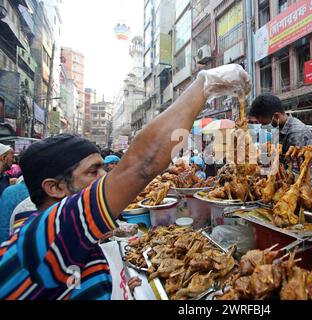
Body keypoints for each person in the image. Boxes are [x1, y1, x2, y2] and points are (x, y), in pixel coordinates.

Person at [0, 63, 250, 300]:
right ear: (54, 187)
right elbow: (144, 164)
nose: (104, 179)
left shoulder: (72, 242)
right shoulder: (40, 241)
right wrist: (203, 85)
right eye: (92, 171)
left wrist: (113, 285)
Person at [248, 94, 312, 155]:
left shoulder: (296, 133)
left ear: (277, 116)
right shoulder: (279, 129)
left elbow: (295, 167)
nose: (263, 127)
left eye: (265, 123)